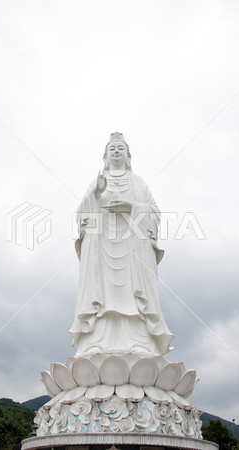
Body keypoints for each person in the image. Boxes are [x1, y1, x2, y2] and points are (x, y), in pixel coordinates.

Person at [69, 132, 174, 356]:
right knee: (102, 293)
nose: (116, 152)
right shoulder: (97, 182)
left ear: (128, 155)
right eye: (112, 149)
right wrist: (94, 193)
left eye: (120, 149)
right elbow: (81, 215)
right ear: (105, 156)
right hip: (101, 245)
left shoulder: (138, 182)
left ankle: (141, 342)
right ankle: (95, 342)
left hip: (132, 247)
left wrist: (131, 206)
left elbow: (154, 212)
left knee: (133, 294)